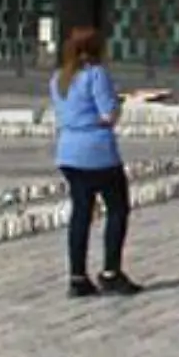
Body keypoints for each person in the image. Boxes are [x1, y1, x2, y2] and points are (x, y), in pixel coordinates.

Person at [50, 27, 141, 298]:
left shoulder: (59, 78)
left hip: (68, 152)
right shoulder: (96, 75)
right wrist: (116, 105)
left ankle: (77, 277)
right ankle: (111, 272)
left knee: (81, 212)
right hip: (97, 152)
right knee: (117, 209)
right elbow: (108, 113)